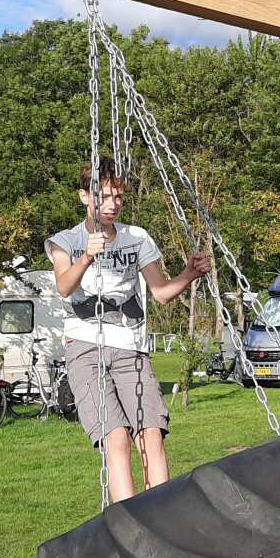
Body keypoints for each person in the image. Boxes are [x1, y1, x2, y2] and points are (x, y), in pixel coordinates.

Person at [46, 160, 211, 503]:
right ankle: (128, 519)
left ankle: (162, 513)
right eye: (104, 196)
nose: (111, 204)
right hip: (86, 346)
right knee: (116, 437)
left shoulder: (137, 238)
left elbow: (162, 293)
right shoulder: (65, 241)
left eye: (118, 197)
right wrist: (86, 258)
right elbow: (64, 286)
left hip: (130, 346)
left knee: (151, 434)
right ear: (84, 197)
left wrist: (189, 275)